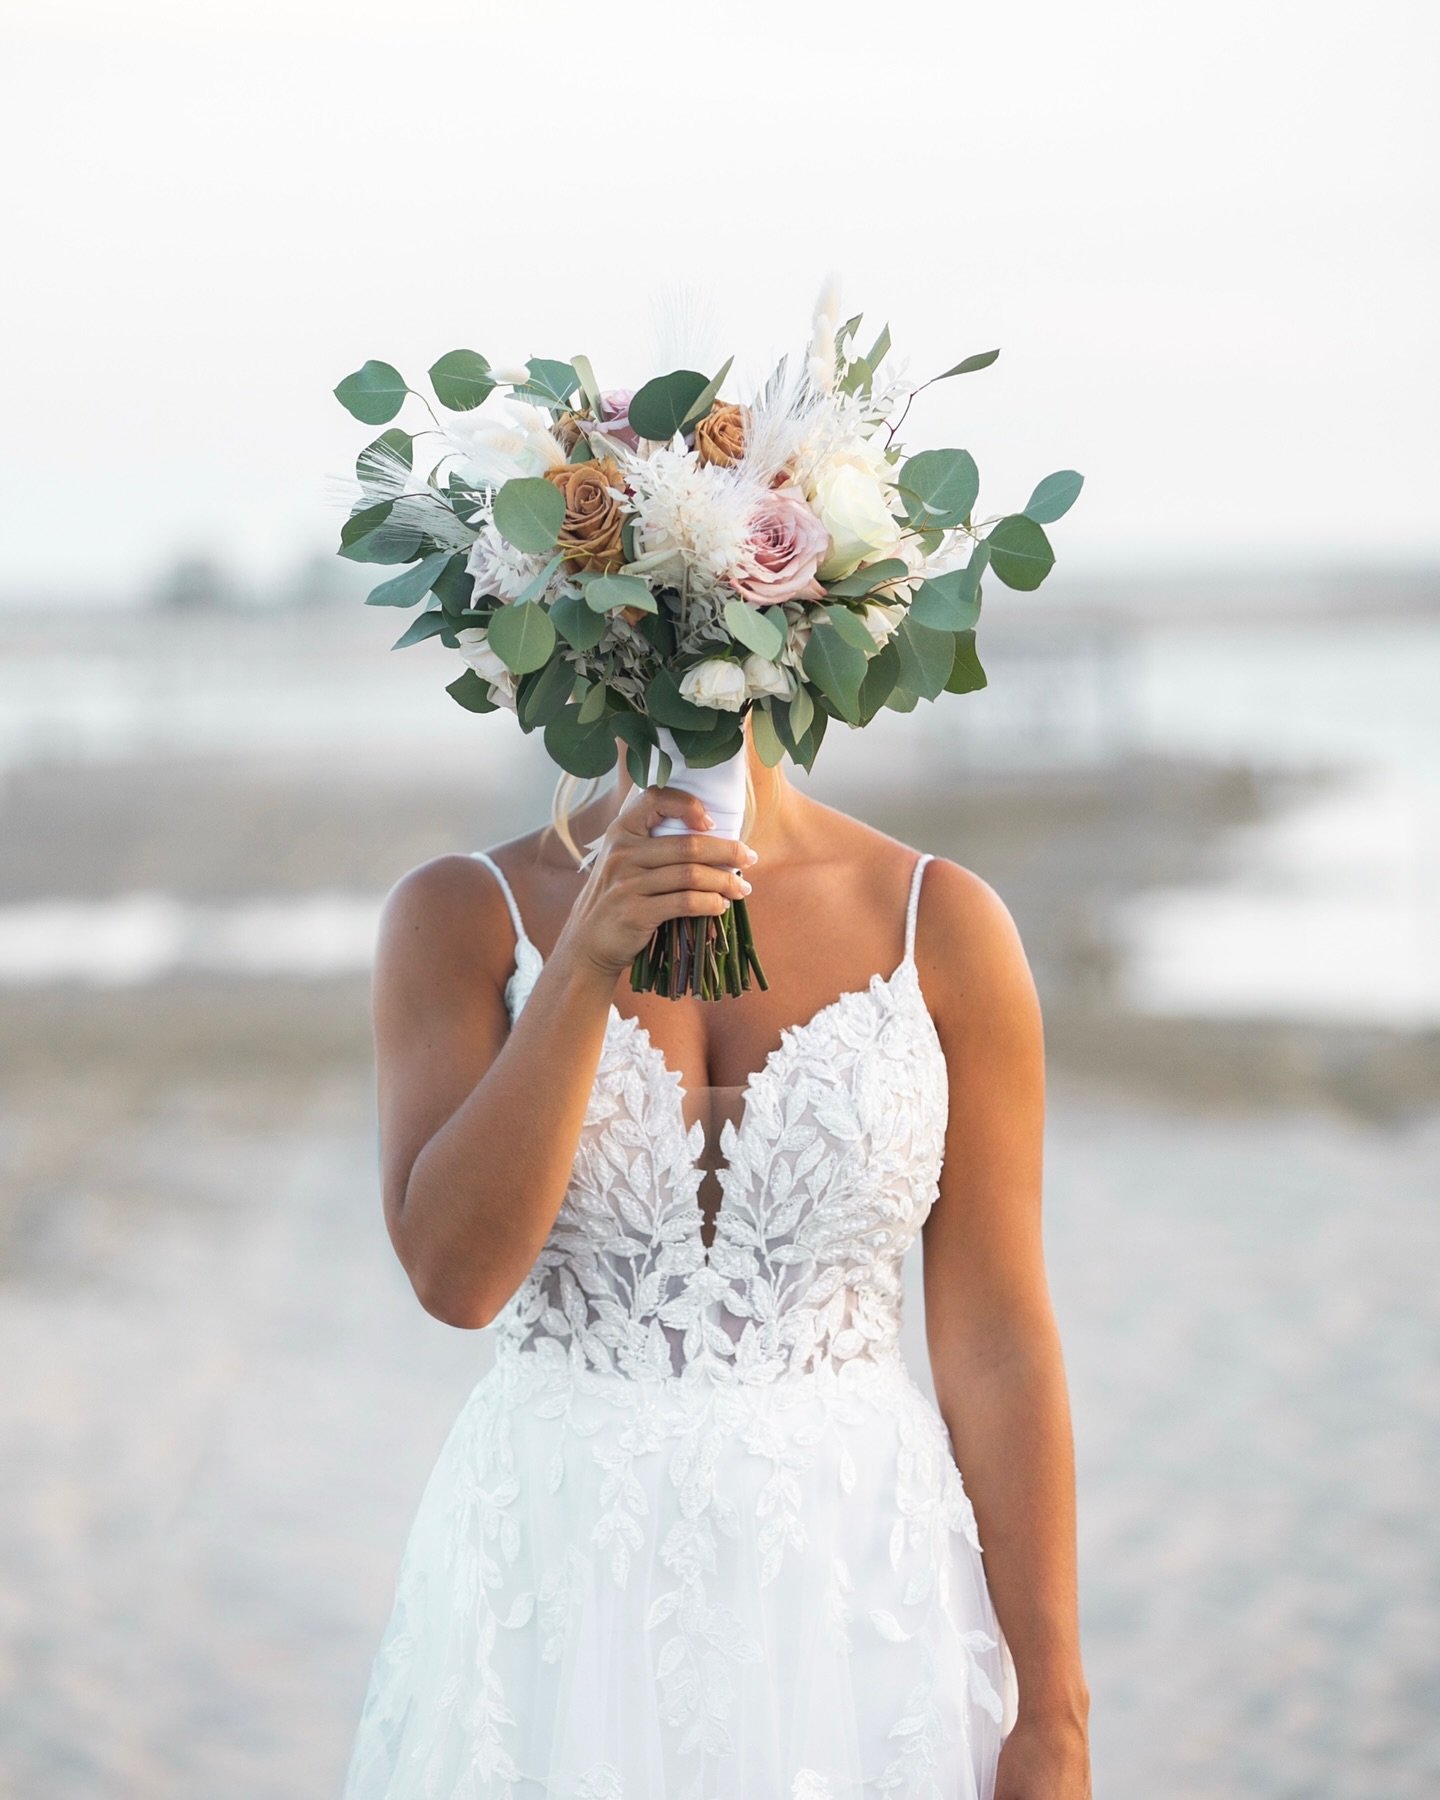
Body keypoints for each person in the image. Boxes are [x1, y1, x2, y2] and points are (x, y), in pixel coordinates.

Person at [342, 720, 1091, 1800]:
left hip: (852, 1585)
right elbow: (456, 1281)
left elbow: (998, 1339)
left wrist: (1055, 1711)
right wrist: (589, 955)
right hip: (557, 1584)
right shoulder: (460, 913)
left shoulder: (940, 919)